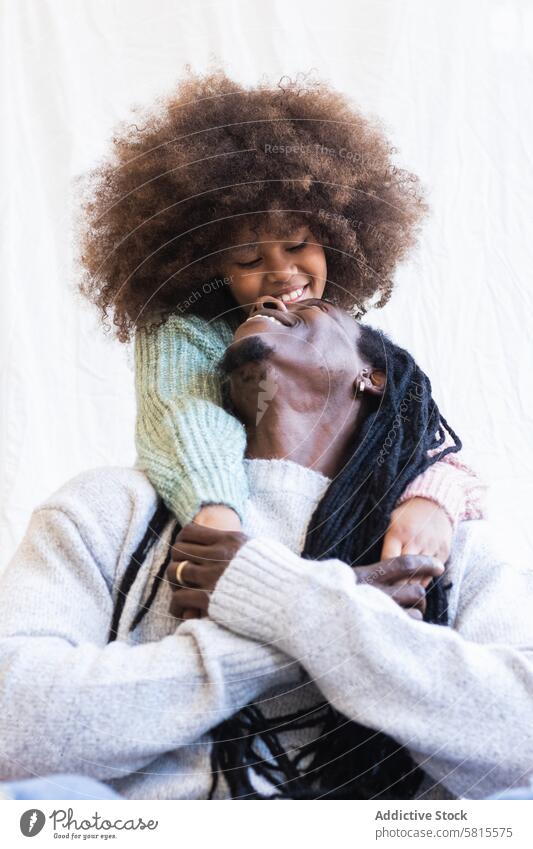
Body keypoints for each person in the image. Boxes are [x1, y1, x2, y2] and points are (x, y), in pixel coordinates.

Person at [0, 299, 531, 800]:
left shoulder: (443, 545)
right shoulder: (111, 507)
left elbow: (521, 739)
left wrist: (288, 599)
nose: (269, 304)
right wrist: (294, 633)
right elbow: (12, 723)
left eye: (314, 310)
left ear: (372, 378)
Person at [76, 68, 485, 594]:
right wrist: (218, 518)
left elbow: (422, 441)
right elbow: (188, 415)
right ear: (207, 269)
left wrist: (431, 501)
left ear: (343, 235)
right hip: (228, 547)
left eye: (297, 246)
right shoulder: (186, 333)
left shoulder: (354, 343)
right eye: (249, 257)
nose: (281, 272)